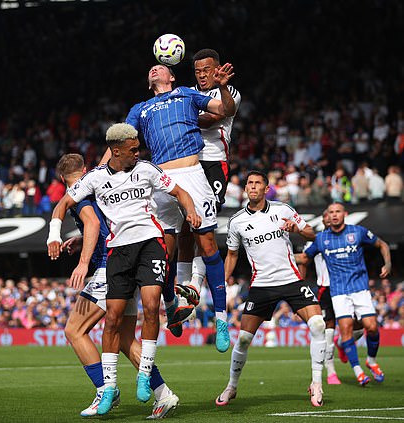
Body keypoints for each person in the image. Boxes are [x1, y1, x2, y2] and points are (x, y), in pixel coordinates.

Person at [48, 123, 200, 416]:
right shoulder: (96, 180)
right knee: (125, 338)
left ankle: (105, 389)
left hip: (113, 264)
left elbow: (93, 223)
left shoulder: (84, 190)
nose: (137, 152)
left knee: (74, 329)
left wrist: (78, 257)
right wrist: (78, 241)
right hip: (118, 257)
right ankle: (162, 393)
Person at [109, 62, 236, 351]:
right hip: (160, 180)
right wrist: (103, 170)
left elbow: (225, 110)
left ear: (172, 76)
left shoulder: (187, 95)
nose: (154, 70)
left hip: (192, 174)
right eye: (150, 68)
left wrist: (224, 87)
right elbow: (120, 140)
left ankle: (221, 319)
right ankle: (172, 306)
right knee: (161, 252)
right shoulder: (140, 108)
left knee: (208, 245)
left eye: (160, 68)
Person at [216, 170, 326, 407]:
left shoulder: (283, 209)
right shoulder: (237, 222)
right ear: (246, 189)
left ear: (266, 189)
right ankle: (231, 386)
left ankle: (316, 383)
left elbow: (312, 233)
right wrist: (222, 283)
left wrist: (295, 229)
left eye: (258, 183)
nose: (253, 186)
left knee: (318, 324)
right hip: (262, 285)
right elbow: (232, 255)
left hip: (291, 280)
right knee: (244, 339)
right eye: (250, 183)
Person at [175, 49, 242, 346]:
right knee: (183, 229)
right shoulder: (188, 92)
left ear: (217, 68)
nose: (202, 74)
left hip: (214, 164)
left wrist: (223, 87)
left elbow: (222, 113)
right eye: (198, 70)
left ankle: (198, 289)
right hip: (186, 164)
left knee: (205, 230)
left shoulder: (229, 91)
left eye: (207, 69)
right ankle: (181, 298)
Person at [299, 202, 391, 386]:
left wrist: (387, 263)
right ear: (327, 216)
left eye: (337, 212)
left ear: (345, 214)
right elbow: (304, 258)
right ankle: (357, 371)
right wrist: (278, 255)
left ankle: (371, 361)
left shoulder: (358, 232)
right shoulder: (321, 239)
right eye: (331, 212)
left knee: (371, 327)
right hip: (338, 292)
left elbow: (382, 244)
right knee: (345, 329)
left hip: (360, 289)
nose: (334, 215)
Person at [296, 209, 342, 385]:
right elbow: (303, 262)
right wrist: (299, 285)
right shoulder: (316, 242)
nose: (329, 218)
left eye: (333, 214)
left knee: (360, 326)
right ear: (322, 221)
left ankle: (344, 345)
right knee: (328, 328)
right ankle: (331, 371)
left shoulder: (346, 237)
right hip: (326, 289)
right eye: (326, 216)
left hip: (347, 287)